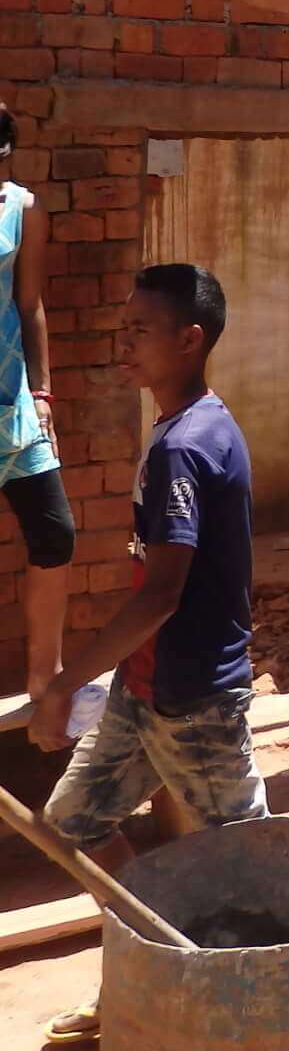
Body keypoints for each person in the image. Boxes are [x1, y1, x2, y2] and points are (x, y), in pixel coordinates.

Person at [30, 263, 266, 1046]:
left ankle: (270, 1026)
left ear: (188, 340)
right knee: (75, 820)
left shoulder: (187, 447)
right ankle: (154, 964)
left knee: (256, 869)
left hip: (195, 699)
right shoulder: (183, 426)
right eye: (121, 324)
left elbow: (161, 594)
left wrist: (65, 681)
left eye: (139, 328)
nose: (120, 340)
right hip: (146, 691)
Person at [0, 103, 75, 700]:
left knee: (54, 533)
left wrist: (43, 390)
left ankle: (43, 679)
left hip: (11, 401)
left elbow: (30, 305)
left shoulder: (21, 209)